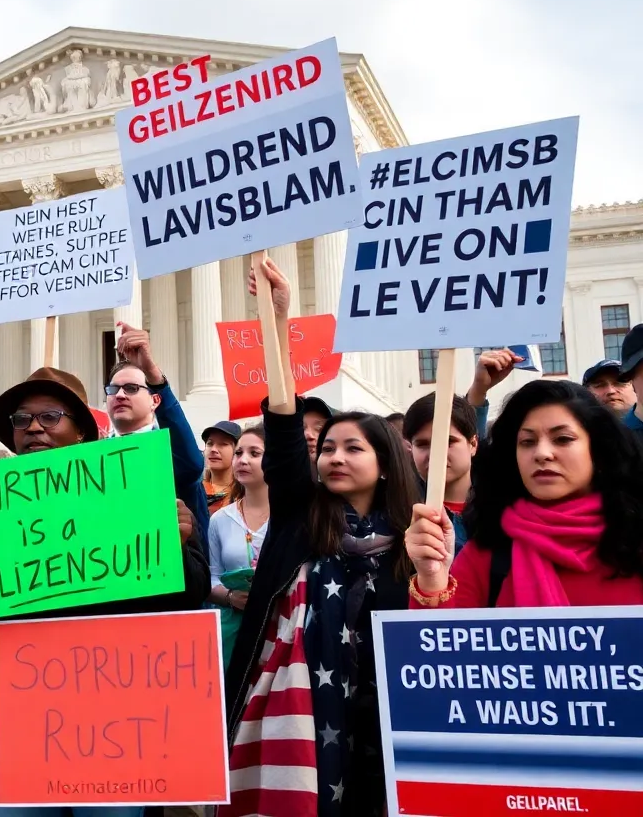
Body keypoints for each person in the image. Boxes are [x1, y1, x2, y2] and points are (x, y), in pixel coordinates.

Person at [223, 257, 418, 817]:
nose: (334, 456)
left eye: (352, 448)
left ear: (385, 463)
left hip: (382, 717)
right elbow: (283, 423)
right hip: (302, 714)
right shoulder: (300, 516)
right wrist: (276, 326)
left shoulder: (413, 537)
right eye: (328, 447)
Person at [0, 366, 212, 817]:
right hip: (24, 710)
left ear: (82, 434)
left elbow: (190, 595)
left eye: (50, 416)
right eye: (21, 419)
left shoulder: (131, 495)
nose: (33, 427)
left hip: (113, 716)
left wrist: (178, 547)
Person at [406, 380, 643, 610]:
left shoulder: (635, 538)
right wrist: (432, 579)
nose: (542, 453)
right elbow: (440, 645)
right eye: (527, 442)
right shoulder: (487, 553)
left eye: (563, 439)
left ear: (599, 449)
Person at [111, 322, 210, 532]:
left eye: (131, 388)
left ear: (155, 401)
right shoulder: (94, 460)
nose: (119, 395)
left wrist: (151, 373)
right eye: (113, 389)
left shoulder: (172, 454)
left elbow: (191, 463)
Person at [207, 424, 268, 667]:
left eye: (255, 453)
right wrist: (232, 597)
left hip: (279, 631)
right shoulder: (220, 519)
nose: (243, 460)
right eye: (239, 453)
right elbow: (211, 578)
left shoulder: (291, 519)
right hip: (233, 636)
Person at [402, 393, 480, 554]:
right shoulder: (398, 515)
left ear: (472, 444)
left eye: (447, 442)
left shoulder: (504, 512)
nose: (435, 453)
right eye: (423, 444)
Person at [201, 420, 241, 514]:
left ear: (238, 451)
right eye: (210, 443)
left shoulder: (244, 495)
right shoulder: (196, 491)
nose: (214, 449)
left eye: (223, 444)